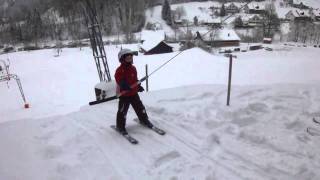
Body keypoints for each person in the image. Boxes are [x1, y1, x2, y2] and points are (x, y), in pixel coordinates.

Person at [115, 48, 153, 135]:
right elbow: (118, 78)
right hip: (124, 95)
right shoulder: (120, 70)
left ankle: (144, 119)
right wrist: (123, 84)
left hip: (133, 93)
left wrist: (138, 86)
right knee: (122, 111)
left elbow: (135, 79)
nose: (129, 58)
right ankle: (120, 126)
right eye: (127, 57)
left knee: (140, 107)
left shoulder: (133, 68)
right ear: (122, 58)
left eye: (130, 56)